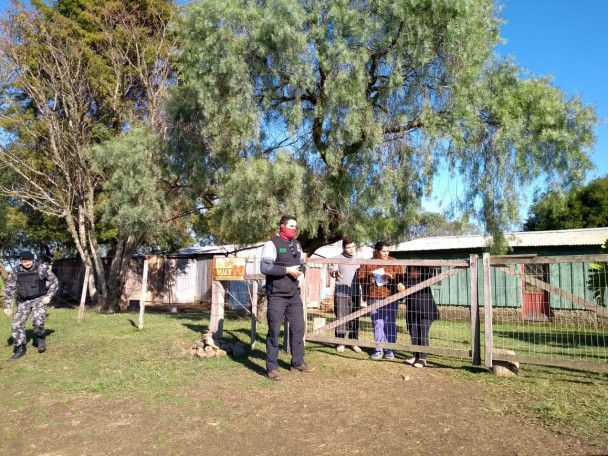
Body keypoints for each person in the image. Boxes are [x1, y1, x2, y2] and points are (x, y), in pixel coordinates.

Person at [260, 215, 315, 381]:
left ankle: (297, 362)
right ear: (282, 226)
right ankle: (272, 367)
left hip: (293, 295)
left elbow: (302, 264)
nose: (294, 229)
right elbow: (265, 267)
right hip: (276, 295)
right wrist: (287, 270)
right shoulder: (272, 244)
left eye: (295, 226)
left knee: (298, 328)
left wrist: (302, 275)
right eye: (291, 226)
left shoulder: (297, 244)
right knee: (274, 332)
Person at [3, 251, 59, 360]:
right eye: (24, 261)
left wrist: (49, 296)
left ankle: (39, 337)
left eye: (29, 261)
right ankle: (20, 348)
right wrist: (7, 306)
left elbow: (54, 282)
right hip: (23, 300)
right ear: (20, 261)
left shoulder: (42, 268)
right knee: (17, 324)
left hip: (39, 298)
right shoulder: (16, 271)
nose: (27, 263)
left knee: (38, 321)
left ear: (33, 260)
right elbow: (9, 289)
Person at [358, 242, 405, 360]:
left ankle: (390, 350)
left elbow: (401, 277)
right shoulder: (367, 263)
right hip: (374, 297)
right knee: (378, 323)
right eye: (384, 251)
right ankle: (378, 349)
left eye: (387, 251)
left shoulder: (394, 261)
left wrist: (391, 277)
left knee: (390, 323)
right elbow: (360, 278)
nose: (386, 253)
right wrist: (370, 279)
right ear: (377, 251)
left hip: (391, 296)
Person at [329, 236, 362, 354]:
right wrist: (335, 272)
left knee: (355, 318)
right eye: (348, 247)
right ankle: (340, 342)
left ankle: (353, 342)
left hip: (355, 293)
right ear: (343, 247)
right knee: (341, 318)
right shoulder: (337, 258)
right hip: (341, 293)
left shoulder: (360, 259)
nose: (351, 249)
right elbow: (332, 272)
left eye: (353, 246)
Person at [404, 266, 439, 368]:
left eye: (417, 270)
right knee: (414, 333)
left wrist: (420, 264)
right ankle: (415, 356)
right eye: (412, 270)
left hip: (426, 312)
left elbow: (431, 270)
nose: (414, 273)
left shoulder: (425, 279)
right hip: (412, 312)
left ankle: (423, 358)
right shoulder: (406, 281)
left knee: (422, 333)